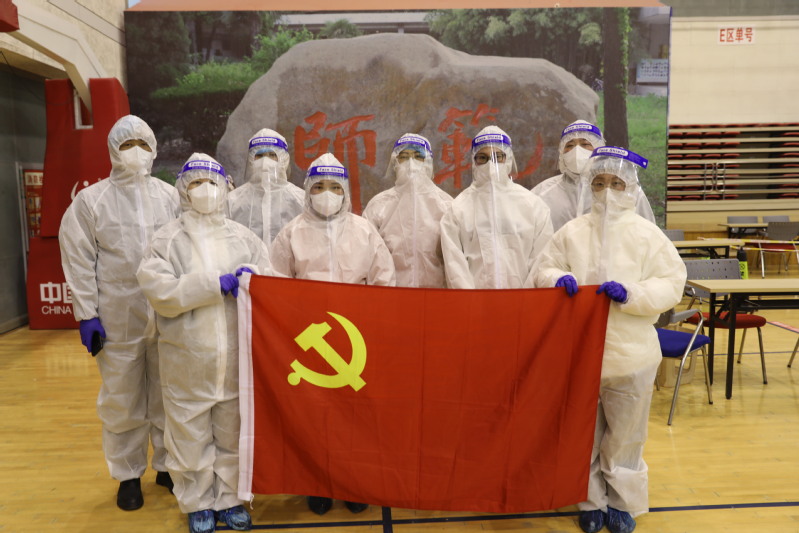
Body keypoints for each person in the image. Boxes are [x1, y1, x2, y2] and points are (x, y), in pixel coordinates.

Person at [530, 147, 686, 533]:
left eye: (616, 183)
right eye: (599, 183)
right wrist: (557, 280)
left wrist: (631, 293)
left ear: (631, 188)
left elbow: (671, 283)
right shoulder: (572, 232)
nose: (607, 191)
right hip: (579, 353)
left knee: (626, 435)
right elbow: (544, 267)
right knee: (582, 433)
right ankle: (590, 501)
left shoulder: (647, 236)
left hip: (631, 354)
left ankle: (621, 502)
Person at [137, 153, 273, 533]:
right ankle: (197, 503)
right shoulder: (167, 240)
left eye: (211, 182)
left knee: (231, 433)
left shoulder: (243, 238)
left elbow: (269, 277)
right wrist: (213, 284)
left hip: (235, 359)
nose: (204, 190)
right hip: (187, 359)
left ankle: (229, 500)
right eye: (196, 183)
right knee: (189, 435)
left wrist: (253, 276)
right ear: (183, 189)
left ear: (225, 187)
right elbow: (159, 290)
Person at [59, 114, 179, 511]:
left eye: (143, 144)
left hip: (167, 314)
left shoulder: (170, 197)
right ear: (113, 150)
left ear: (154, 149)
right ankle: (128, 475)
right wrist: (86, 314)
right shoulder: (91, 201)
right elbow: (78, 260)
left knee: (167, 394)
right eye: (127, 145)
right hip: (117, 317)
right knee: (122, 399)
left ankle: (167, 465)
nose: (136, 152)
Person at [271, 153, 394, 516]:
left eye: (335, 187)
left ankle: (354, 482)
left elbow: (385, 281)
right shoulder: (291, 233)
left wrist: (373, 323)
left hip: (357, 338)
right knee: (313, 417)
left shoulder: (364, 231)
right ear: (308, 190)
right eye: (319, 187)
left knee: (357, 418)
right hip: (307, 340)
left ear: (346, 192)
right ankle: (317, 483)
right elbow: (275, 284)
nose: (327, 194)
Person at [440, 125, 553, 289]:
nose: (490, 164)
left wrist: (525, 299)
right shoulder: (458, 208)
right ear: (474, 161)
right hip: (475, 302)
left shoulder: (533, 206)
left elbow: (540, 260)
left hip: (523, 300)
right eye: (482, 157)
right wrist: (470, 301)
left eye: (498, 156)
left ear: (509, 158)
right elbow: (455, 267)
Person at [362, 133, 452, 287]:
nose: (411, 163)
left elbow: (456, 260)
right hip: (392, 293)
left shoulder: (446, 205)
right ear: (395, 163)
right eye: (404, 157)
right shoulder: (378, 205)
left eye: (418, 156)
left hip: (436, 294)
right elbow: (367, 256)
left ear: (429, 162)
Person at [532, 120, 656, 232]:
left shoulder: (627, 190)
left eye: (585, 144)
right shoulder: (543, 193)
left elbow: (649, 234)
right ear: (561, 153)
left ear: (598, 147)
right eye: (569, 145)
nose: (577, 150)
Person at [227, 128, 304, 245]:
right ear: (251, 159)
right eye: (259, 155)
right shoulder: (233, 201)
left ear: (283, 159)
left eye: (272, 155)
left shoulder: (300, 199)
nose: (265, 161)